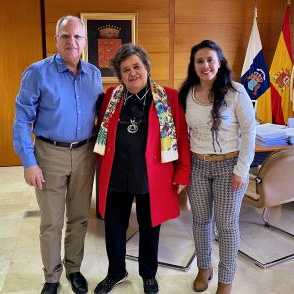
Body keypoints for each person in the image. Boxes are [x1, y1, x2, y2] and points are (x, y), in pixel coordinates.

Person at [13, 15, 103, 294]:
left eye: (77, 37)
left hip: (85, 153)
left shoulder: (94, 74)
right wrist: (29, 163)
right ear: (56, 40)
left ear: (84, 42)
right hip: (49, 154)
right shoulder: (37, 72)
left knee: (79, 218)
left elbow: (101, 116)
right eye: (65, 36)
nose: (71, 42)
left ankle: (74, 269)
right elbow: (21, 120)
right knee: (51, 220)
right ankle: (52, 277)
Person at [93, 44, 191, 294]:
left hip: (152, 174)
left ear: (147, 68)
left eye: (137, 66)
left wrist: (182, 173)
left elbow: (180, 136)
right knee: (113, 226)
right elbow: (101, 133)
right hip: (116, 171)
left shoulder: (167, 97)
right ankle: (116, 271)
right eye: (125, 69)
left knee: (150, 227)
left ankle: (148, 274)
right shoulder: (110, 97)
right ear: (120, 75)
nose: (132, 73)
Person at [178, 40, 256, 294]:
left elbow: (249, 131)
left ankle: (226, 279)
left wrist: (241, 170)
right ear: (194, 65)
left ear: (219, 62)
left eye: (210, 59)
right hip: (198, 166)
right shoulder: (186, 93)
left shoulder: (236, 91)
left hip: (229, 166)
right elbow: (180, 132)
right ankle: (204, 268)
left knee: (226, 225)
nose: (205, 65)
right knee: (201, 221)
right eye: (199, 61)